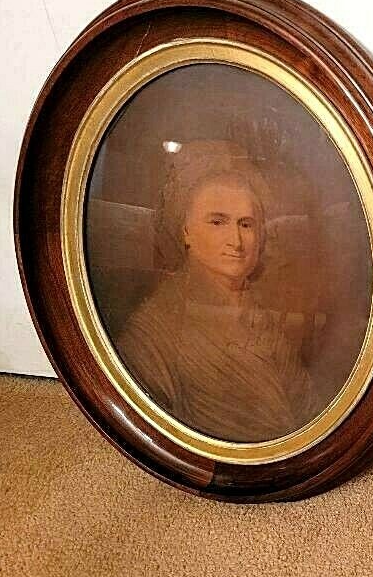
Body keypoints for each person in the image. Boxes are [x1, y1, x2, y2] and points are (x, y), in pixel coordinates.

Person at [115, 140, 315, 442]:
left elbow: (304, 406)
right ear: (185, 230)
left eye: (246, 224)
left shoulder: (260, 315)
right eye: (218, 222)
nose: (235, 240)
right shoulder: (154, 331)